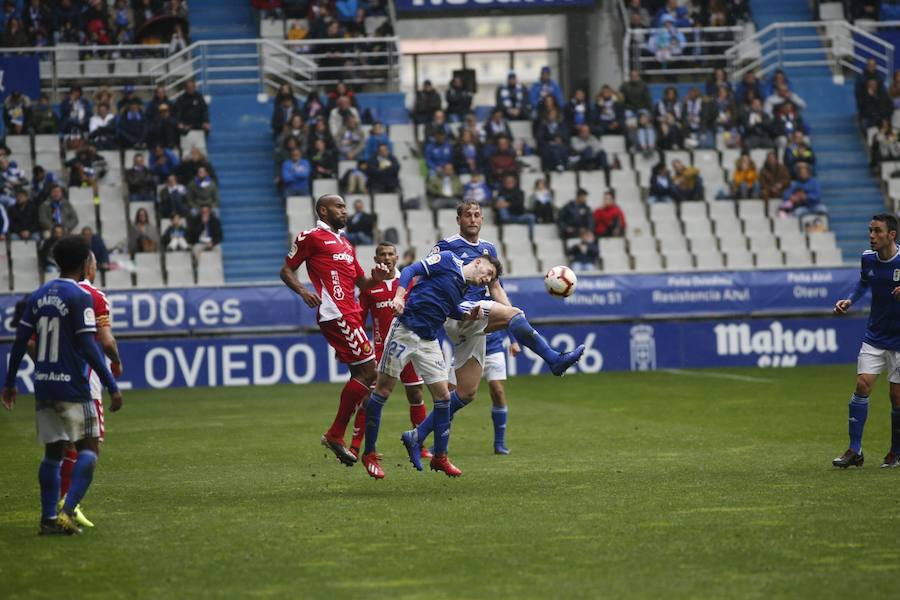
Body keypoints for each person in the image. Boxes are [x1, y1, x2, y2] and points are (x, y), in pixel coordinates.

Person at [393, 200, 586, 476]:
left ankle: (417, 435)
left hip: (476, 319)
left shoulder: (489, 249)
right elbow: (425, 279)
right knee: (514, 314)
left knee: (466, 393)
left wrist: (512, 325)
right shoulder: (446, 246)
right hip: (459, 314)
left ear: (482, 219)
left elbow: (496, 289)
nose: (473, 219)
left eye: (477, 215)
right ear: (458, 219)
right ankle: (554, 360)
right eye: (467, 215)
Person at [2, 235, 123, 535]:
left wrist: (10, 381)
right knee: (89, 449)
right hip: (73, 386)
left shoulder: (38, 295)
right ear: (84, 264)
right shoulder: (80, 297)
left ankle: (48, 520)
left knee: (53, 453)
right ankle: (68, 511)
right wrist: (111, 384)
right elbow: (90, 346)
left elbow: (20, 341)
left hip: (44, 385)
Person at [360, 249, 502, 479]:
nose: (487, 279)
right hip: (404, 331)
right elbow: (411, 270)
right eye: (489, 272)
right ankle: (369, 454)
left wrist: (466, 316)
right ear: (478, 262)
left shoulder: (463, 288)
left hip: (428, 340)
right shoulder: (447, 260)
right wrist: (399, 296)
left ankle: (440, 457)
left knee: (444, 397)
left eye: (491, 278)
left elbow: (450, 308)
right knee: (383, 390)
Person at [279, 194, 392, 467]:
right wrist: (303, 291)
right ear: (323, 210)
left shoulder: (345, 243)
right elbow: (286, 270)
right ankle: (335, 434)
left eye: (344, 207)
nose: (344, 211)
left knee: (363, 376)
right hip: (336, 312)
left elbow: (362, 283)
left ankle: (342, 438)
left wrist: (376, 279)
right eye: (339, 207)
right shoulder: (311, 237)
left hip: (350, 312)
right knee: (371, 372)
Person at [55, 251, 123, 529]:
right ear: (89, 267)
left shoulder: (50, 295)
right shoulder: (94, 296)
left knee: (63, 446)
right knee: (90, 447)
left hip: (53, 379)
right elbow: (106, 342)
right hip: (86, 382)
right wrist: (116, 362)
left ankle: (57, 506)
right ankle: (69, 506)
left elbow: (32, 342)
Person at [348, 242, 432, 461]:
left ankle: (420, 445)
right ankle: (355, 447)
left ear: (396, 257)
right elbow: (359, 318)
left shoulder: (408, 282)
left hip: (410, 346)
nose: (386, 258)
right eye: (382, 254)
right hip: (381, 350)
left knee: (416, 393)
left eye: (390, 254)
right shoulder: (369, 286)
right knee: (370, 398)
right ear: (376, 259)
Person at [832, 214, 900, 469]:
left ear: (891, 234)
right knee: (862, 385)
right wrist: (850, 300)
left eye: (877, 231)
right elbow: (863, 282)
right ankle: (855, 450)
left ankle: (895, 452)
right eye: (870, 230)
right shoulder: (868, 258)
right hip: (876, 335)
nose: (871, 236)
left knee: (897, 397)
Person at [494, 174, 535, 238]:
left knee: (531, 217)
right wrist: (497, 205)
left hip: (519, 216)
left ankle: (531, 238)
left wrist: (508, 204)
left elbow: (519, 204)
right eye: (507, 181)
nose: (509, 183)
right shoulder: (501, 192)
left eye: (511, 181)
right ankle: (501, 233)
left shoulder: (520, 192)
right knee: (500, 199)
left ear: (515, 182)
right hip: (506, 216)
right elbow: (497, 206)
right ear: (505, 183)